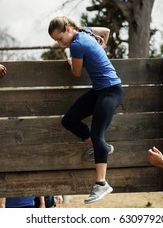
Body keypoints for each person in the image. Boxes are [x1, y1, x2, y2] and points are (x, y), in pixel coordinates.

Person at [48, 16, 124, 204]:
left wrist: (70, 59)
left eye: (60, 38)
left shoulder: (77, 44)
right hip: (99, 91)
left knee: (97, 134)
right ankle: (102, 149)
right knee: (69, 120)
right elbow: (105, 31)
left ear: (67, 29)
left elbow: (76, 72)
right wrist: (101, 48)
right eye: (56, 41)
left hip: (111, 91)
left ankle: (101, 183)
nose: (60, 44)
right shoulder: (83, 30)